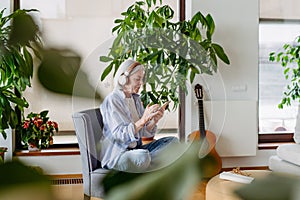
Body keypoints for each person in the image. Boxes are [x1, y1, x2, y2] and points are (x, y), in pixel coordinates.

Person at [100, 59, 178, 172]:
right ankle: (148, 165)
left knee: (173, 142)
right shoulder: (112, 100)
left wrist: (153, 121)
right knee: (142, 157)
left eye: (142, 79)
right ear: (123, 79)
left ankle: (144, 165)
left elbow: (141, 133)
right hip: (118, 155)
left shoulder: (135, 99)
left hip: (137, 150)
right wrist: (143, 120)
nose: (141, 83)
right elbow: (119, 136)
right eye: (137, 79)